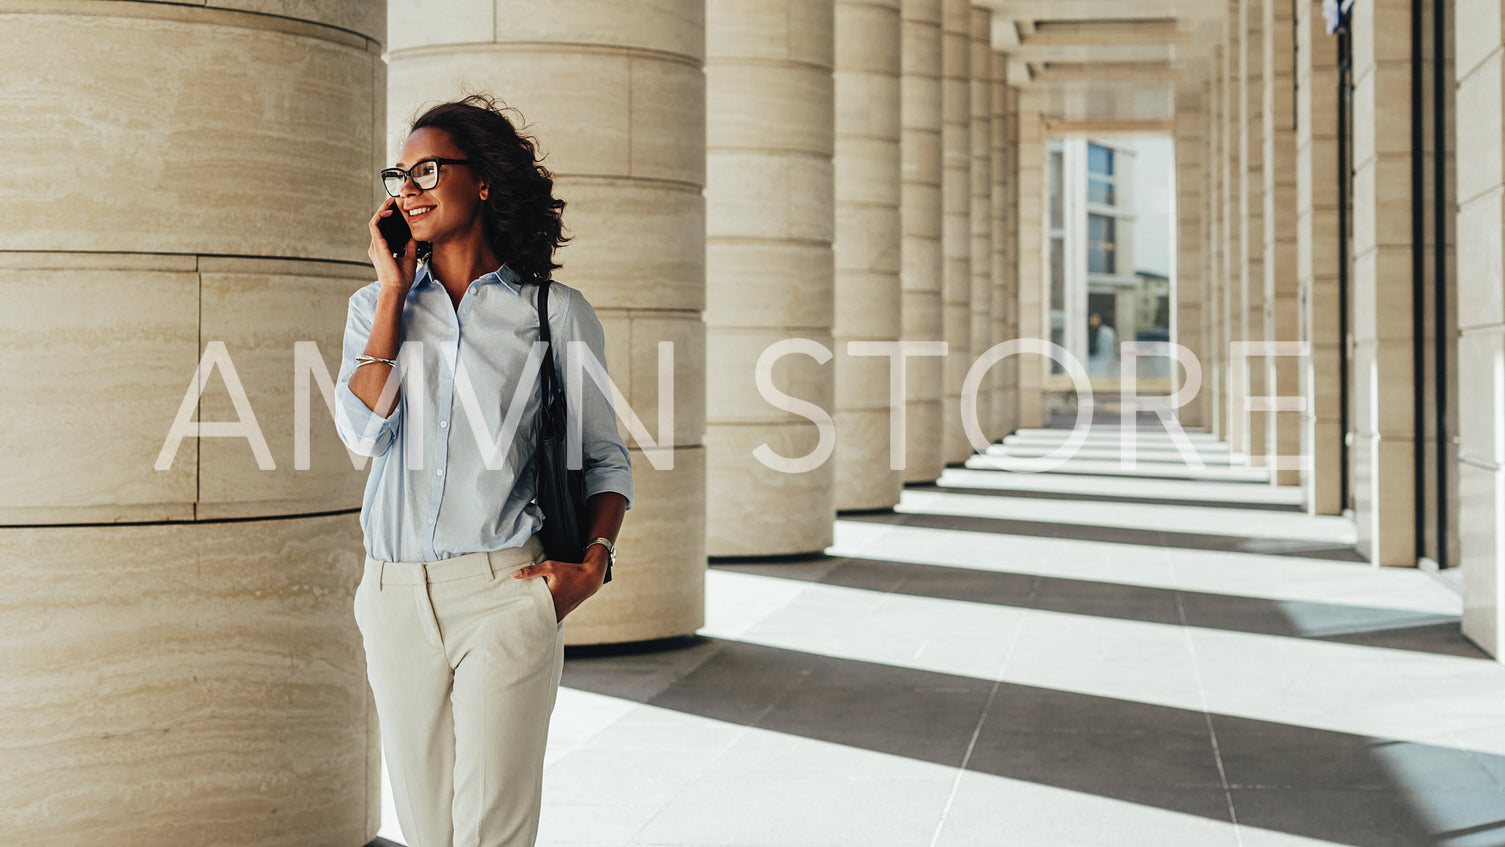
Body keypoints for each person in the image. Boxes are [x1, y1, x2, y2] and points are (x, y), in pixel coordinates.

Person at [331, 94, 633, 847]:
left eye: (428, 169)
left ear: (485, 181)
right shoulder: (376, 303)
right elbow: (362, 434)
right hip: (393, 595)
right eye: (399, 174)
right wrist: (396, 294)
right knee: (429, 831)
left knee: (489, 834)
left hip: (503, 593)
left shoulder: (551, 312)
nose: (409, 187)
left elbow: (603, 456)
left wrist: (594, 563)